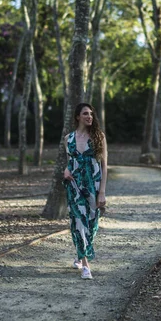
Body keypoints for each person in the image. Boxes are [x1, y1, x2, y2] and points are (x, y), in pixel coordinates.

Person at [63, 103, 107, 280]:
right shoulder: (69, 139)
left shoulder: (98, 137)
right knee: (79, 221)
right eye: (85, 113)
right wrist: (66, 171)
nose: (90, 116)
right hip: (74, 186)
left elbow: (104, 166)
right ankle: (86, 266)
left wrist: (102, 192)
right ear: (77, 117)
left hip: (93, 185)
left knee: (91, 223)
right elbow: (69, 162)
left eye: (91, 113)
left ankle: (80, 254)